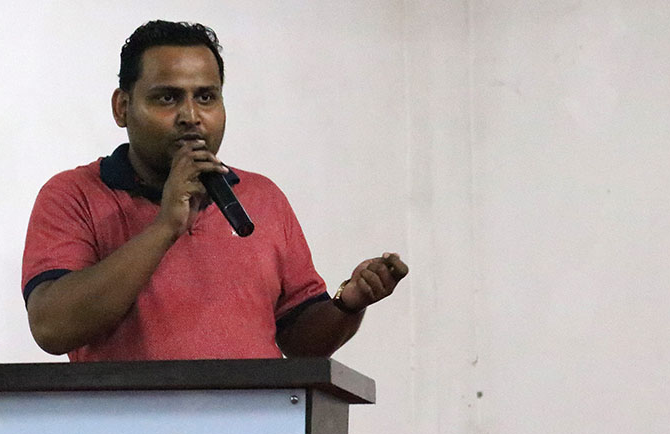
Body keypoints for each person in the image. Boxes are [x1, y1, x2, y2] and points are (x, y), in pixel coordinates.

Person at [22, 20, 408, 362]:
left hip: (255, 421)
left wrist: (349, 304)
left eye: (206, 97)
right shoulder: (74, 195)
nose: (191, 116)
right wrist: (165, 227)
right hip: (130, 422)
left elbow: (302, 344)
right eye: (167, 97)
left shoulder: (263, 198)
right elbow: (52, 327)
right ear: (122, 107)